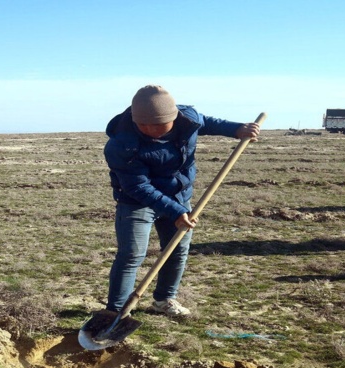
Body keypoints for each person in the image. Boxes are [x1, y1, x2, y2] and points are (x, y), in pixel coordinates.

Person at [103, 85, 260, 316]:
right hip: (137, 201)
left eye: (157, 125)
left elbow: (206, 122)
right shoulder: (120, 143)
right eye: (143, 125)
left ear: (174, 118)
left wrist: (237, 129)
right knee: (131, 254)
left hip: (178, 194)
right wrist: (176, 212)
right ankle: (115, 312)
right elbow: (137, 186)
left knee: (177, 249)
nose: (149, 130)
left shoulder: (188, 118)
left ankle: (164, 300)